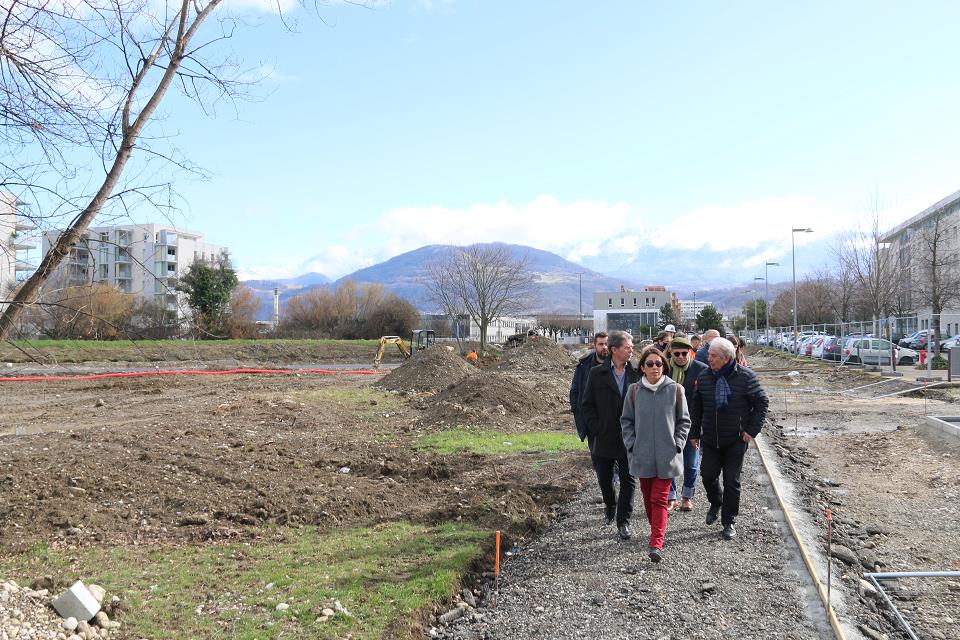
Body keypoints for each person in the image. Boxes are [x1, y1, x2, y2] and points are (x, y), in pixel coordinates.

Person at [689, 337, 769, 540]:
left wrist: (751, 430)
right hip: (710, 438)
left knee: (732, 481)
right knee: (707, 475)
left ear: (726, 358)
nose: (709, 359)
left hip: (736, 439)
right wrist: (694, 433)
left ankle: (729, 521)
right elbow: (696, 406)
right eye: (709, 355)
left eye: (713, 356)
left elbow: (762, 403)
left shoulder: (746, 377)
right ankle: (716, 501)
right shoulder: (705, 376)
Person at [620, 346, 690, 563]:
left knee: (659, 499)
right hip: (642, 456)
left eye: (659, 364)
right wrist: (631, 445)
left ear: (664, 366)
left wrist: (677, 445)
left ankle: (656, 543)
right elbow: (626, 421)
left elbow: (684, 421)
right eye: (649, 364)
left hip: (667, 456)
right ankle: (656, 530)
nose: (654, 368)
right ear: (642, 368)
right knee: (648, 499)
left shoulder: (676, 390)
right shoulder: (634, 391)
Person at [581, 330, 639, 540]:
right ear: (614, 350)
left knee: (628, 480)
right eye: (627, 347)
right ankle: (610, 505)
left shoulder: (636, 373)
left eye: (632, 346)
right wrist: (597, 428)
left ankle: (623, 521)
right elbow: (586, 405)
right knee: (604, 478)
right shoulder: (597, 373)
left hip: (628, 437)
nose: (631, 349)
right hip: (604, 437)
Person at [665, 336, 708, 512]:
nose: (681, 357)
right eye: (677, 354)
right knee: (669, 462)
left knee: (691, 462)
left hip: (692, 423)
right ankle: (672, 497)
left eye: (685, 353)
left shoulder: (701, 370)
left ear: (690, 352)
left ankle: (687, 497)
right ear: (671, 353)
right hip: (668, 423)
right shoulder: (663, 368)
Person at [570, 332, 608, 443]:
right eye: (601, 344)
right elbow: (575, 390)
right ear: (594, 345)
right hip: (592, 418)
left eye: (606, 344)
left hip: (611, 417)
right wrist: (577, 409)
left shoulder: (617, 365)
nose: (604, 347)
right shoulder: (583, 366)